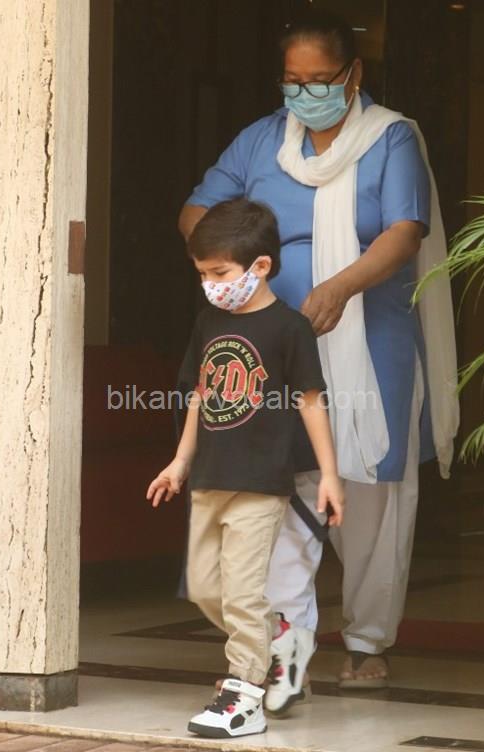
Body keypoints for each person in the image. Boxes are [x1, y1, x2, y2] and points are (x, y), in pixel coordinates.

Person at [178, 10, 458, 711]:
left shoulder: (390, 137)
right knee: (281, 485)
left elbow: (405, 231)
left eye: (320, 81)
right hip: (273, 344)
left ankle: (367, 641)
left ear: (353, 75)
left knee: (369, 490)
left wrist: (340, 286)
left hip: (369, 339)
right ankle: (285, 647)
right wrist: (235, 260)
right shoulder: (261, 139)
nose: (305, 94)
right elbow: (197, 213)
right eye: (292, 81)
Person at [147, 198, 345, 738]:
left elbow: (310, 401)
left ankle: (244, 694)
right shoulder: (208, 322)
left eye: (219, 273)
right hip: (209, 478)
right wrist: (180, 461)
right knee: (205, 589)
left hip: (260, 483)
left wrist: (329, 474)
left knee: (240, 592)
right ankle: (279, 635)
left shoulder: (290, 328)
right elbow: (199, 394)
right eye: (202, 274)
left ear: (260, 266)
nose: (210, 285)